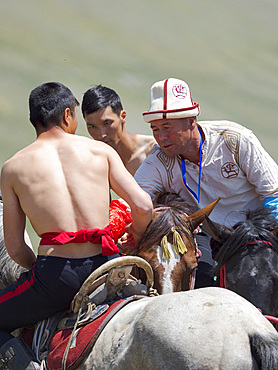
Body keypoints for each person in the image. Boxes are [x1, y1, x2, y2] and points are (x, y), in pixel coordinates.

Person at [0, 82, 153, 368]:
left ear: (34, 120)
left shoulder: (13, 168)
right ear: (68, 115)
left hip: (58, 278)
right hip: (109, 266)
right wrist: (135, 237)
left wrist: (39, 270)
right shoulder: (100, 152)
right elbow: (143, 206)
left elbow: (16, 248)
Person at [133, 77, 278, 288]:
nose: (161, 137)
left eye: (167, 127)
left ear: (191, 121)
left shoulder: (234, 140)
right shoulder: (159, 161)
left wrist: (266, 238)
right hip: (210, 237)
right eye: (155, 129)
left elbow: (274, 194)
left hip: (255, 235)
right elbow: (135, 199)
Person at [81, 85, 156, 175]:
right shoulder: (97, 162)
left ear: (123, 117)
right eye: (92, 127)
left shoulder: (153, 150)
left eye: (107, 123)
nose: (101, 135)